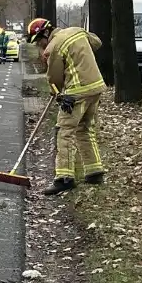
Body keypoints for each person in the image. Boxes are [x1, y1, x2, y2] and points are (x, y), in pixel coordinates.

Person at [25, 18, 106, 195]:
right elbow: (97, 42)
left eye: (39, 40)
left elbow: (54, 78)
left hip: (76, 92)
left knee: (64, 132)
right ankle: (94, 171)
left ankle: (64, 178)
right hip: (96, 87)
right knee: (85, 129)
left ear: (46, 33)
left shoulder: (53, 47)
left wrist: (59, 94)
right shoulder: (77, 31)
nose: (40, 44)